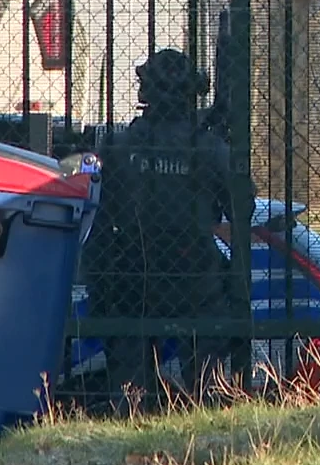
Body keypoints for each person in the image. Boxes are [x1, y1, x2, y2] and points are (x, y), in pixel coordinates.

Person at [85, 48, 242, 410]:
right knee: (207, 373)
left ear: (145, 94)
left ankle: (131, 409)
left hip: (132, 275)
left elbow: (101, 216)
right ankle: (206, 410)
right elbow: (242, 209)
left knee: (130, 376)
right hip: (195, 277)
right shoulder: (209, 148)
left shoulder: (120, 146)